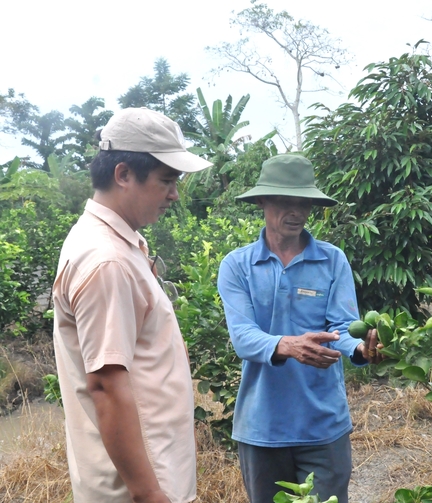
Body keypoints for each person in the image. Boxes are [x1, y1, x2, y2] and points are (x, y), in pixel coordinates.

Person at [52, 107, 212, 503]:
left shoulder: (117, 244)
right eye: (167, 181)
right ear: (123, 175)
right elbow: (106, 385)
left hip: (149, 474)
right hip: (137, 487)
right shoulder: (108, 261)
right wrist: (150, 493)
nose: (175, 194)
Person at [217, 153, 383, 503]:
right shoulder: (237, 266)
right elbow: (244, 337)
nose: (296, 212)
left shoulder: (332, 259)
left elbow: (341, 326)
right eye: (284, 201)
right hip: (262, 427)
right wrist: (289, 346)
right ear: (262, 201)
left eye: (303, 202)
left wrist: (360, 349)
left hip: (323, 425)